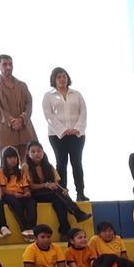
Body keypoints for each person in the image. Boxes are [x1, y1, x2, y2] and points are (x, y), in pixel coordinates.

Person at [25, 141, 86, 236]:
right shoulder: (26, 166)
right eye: (33, 152)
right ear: (28, 154)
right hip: (35, 194)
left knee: (58, 202)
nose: (36, 154)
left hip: (50, 193)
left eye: (39, 151)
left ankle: (65, 230)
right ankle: (76, 212)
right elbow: (31, 186)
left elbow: (56, 184)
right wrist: (46, 185)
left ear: (43, 152)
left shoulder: (48, 166)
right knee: (56, 193)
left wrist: (63, 190)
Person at [44, 67, 88, 198]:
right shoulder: (48, 96)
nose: (62, 79)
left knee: (77, 162)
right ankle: (63, 193)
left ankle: (80, 193)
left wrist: (77, 128)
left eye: (64, 76)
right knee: (61, 163)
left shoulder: (77, 94)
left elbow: (83, 112)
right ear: (54, 79)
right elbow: (48, 115)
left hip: (76, 134)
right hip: (57, 135)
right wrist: (63, 130)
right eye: (59, 77)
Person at [0, 54, 35, 153]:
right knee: (8, 166)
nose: (8, 67)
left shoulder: (22, 85)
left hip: (25, 130)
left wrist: (21, 119)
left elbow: (29, 103)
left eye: (10, 64)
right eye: (4, 64)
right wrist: (12, 121)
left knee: (29, 166)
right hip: (5, 131)